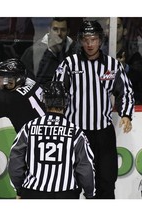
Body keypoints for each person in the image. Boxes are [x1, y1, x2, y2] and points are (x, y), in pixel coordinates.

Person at [53, 20, 135, 199]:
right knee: (70, 182)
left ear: (101, 40)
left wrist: (126, 114)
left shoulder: (112, 66)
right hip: (76, 134)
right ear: (80, 41)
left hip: (103, 134)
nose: (90, 44)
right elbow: (56, 92)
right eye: (85, 39)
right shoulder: (69, 64)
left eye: (94, 39)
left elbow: (125, 91)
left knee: (106, 181)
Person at [8, 81, 96, 199]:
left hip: (33, 192)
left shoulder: (29, 127)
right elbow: (86, 166)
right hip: (65, 193)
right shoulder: (75, 131)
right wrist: (90, 194)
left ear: (44, 101)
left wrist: (19, 189)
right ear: (65, 102)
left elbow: (15, 160)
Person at [21, 17, 77, 85]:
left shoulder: (75, 51)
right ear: (49, 30)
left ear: (68, 31)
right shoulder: (33, 51)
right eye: (55, 29)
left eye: (63, 30)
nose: (59, 33)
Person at [103, 17, 142, 105]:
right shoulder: (99, 53)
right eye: (109, 27)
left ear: (125, 31)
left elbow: (139, 78)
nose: (114, 30)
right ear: (106, 31)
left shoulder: (133, 54)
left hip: (128, 104)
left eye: (118, 26)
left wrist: (125, 67)